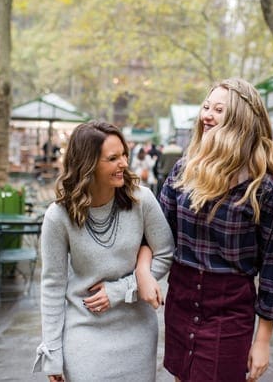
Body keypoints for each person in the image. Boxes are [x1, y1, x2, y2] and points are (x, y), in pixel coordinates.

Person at [138, 78, 273, 382]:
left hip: (230, 310)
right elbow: (154, 231)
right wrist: (144, 272)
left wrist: (262, 342)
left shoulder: (263, 189)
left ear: (241, 120)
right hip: (181, 300)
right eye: (206, 107)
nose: (206, 115)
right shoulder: (185, 169)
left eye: (219, 110)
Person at [33, 121, 174, 382]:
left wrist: (121, 289)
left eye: (124, 155)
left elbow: (165, 252)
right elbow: (52, 285)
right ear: (88, 165)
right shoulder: (58, 215)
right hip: (84, 330)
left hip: (137, 332)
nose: (123, 163)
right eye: (112, 158)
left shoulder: (141, 200)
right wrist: (52, 352)